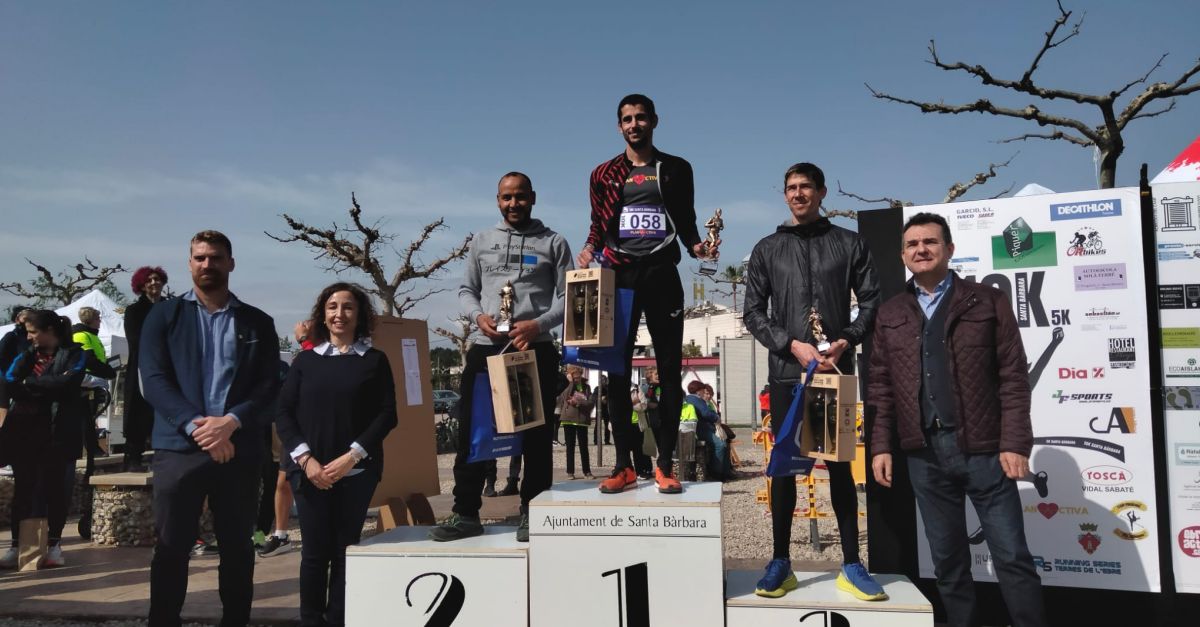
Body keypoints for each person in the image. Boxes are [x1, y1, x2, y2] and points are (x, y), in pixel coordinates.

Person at [869, 212, 1047, 627]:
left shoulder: (987, 300)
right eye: (912, 245)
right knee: (947, 563)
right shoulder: (891, 312)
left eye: (930, 242)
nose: (921, 250)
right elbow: (880, 386)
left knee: (1012, 557)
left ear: (949, 249)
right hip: (923, 456)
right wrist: (880, 446)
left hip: (985, 452)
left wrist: (1015, 443)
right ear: (903, 255)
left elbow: (1013, 377)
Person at [743, 162, 884, 600]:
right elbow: (753, 313)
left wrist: (846, 340)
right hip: (788, 374)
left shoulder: (849, 243)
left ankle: (852, 564)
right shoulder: (767, 249)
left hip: (833, 373)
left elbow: (872, 300)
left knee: (839, 467)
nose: (798, 194)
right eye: (791, 187)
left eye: (806, 186)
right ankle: (780, 562)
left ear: (822, 192)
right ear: (784, 194)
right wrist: (791, 345)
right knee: (784, 469)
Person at [140, 230, 279, 627]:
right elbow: (153, 380)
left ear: (230, 263)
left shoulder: (257, 322)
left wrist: (231, 422)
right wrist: (197, 427)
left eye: (216, 257)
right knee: (171, 548)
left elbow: (269, 386)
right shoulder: (163, 316)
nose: (207, 264)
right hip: (179, 449)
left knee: (238, 549)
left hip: (238, 448)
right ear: (189, 264)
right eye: (200, 257)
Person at [579, 93, 715, 495]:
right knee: (616, 370)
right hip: (619, 275)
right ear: (619, 126)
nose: (634, 124)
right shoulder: (603, 173)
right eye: (627, 119)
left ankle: (665, 465)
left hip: (661, 273)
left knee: (669, 369)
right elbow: (598, 222)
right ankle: (624, 464)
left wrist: (699, 247)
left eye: (640, 117)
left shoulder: (676, 168)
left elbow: (686, 220)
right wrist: (588, 248)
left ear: (654, 121)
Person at [429, 172, 572, 543]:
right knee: (474, 433)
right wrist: (478, 317)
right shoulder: (481, 240)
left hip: (532, 348)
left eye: (520, 197)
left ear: (532, 198)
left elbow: (568, 297)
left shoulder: (554, 242)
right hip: (486, 346)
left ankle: (532, 511)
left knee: (535, 436)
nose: (513, 204)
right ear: (497, 200)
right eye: (506, 197)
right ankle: (465, 513)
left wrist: (538, 325)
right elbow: (466, 290)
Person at [276, 282, 398, 627]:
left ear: (359, 315)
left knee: (346, 553)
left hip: (356, 473)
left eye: (347, 307)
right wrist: (306, 460)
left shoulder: (374, 361)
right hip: (310, 474)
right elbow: (283, 412)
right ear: (323, 314)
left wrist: (351, 457)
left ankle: (339, 620)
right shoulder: (305, 361)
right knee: (314, 554)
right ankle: (311, 620)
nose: (339, 314)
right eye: (332, 307)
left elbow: (387, 414)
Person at [0, 310, 113, 568]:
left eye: (33, 332)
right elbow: (10, 381)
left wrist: (32, 383)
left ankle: (54, 545)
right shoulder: (26, 354)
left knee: (56, 490)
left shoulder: (75, 354)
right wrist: (48, 384)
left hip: (59, 433)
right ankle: (18, 545)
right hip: (25, 432)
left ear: (49, 331)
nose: (29, 337)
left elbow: (69, 382)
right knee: (24, 491)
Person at [258, 320, 311, 558]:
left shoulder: (284, 366)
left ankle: (266, 535)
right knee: (269, 484)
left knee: (277, 482)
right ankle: (264, 535)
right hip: (251, 429)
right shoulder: (245, 365)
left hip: (281, 430)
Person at [123, 266, 168, 472]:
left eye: (157, 279)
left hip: (168, 368)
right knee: (138, 413)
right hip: (142, 367)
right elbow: (135, 340)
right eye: (149, 280)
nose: (153, 283)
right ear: (141, 285)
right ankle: (133, 457)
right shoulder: (134, 311)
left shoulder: (170, 307)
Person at [557, 365, 594, 480]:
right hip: (568, 419)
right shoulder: (567, 385)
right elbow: (564, 397)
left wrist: (578, 403)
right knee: (570, 447)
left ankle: (587, 471)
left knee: (584, 447)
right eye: (574, 377)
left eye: (578, 376)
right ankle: (570, 472)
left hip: (582, 419)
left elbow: (590, 403)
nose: (577, 378)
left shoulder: (586, 387)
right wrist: (571, 383)